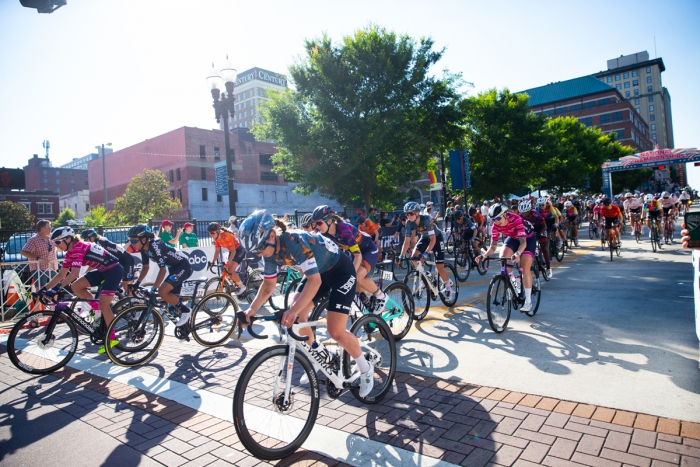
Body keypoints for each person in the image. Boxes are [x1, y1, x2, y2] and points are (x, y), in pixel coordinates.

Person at [238, 210, 374, 397]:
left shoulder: (294, 241)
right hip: (318, 272)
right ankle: (320, 356)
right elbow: (268, 284)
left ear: (271, 235)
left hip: (340, 272)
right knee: (300, 314)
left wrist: (292, 311)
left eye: (260, 248)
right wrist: (250, 310)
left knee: (335, 331)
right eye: (255, 251)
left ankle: (366, 369)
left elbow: (314, 282)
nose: (259, 253)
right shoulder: (268, 250)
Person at [43, 227, 124, 354]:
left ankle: (112, 338)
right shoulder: (70, 252)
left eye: (58, 242)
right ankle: (97, 308)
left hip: (114, 270)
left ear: (68, 239)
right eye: (54, 243)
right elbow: (61, 274)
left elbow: (74, 273)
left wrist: (57, 288)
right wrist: (44, 289)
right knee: (76, 286)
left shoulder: (79, 247)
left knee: (104, 305)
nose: (56, 246)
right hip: (103, 270)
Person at [312, 205, 385, 313]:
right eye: (315, 224)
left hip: (368, 250)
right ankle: (368, 312)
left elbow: (358, 256)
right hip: (354, 253)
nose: (317, 227)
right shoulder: (324, 234)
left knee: (357, 276)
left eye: (319, 223)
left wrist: (350, 274)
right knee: (354, 286)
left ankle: (381, 296)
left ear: (330, 221)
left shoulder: (343, 229)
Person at [127, 224, 193, 327]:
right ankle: (186, 328)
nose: (132, 243)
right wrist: (137, 283)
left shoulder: (155, 246)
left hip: (183, 266)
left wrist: (154, 289)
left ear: (144, 239)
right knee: (172, 303)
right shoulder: (144, 248)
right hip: (174, 268)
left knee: (162, 291)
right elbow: (145, 267)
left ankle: (186, 310)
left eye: (134, 241)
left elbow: (162, 270)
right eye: (130, 241)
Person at [477, 203, 536, 312]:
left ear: (505, 214)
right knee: (503, 258)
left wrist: (518, 254)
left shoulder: (516, 219)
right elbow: (493, 246)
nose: (496, 221)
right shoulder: (495, 226)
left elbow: (523, 243)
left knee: (525, 267)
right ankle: (514, 282)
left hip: (527, 239)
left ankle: (528, 302)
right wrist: (484, 255)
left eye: (498, 218)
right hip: (513, 238)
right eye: (493, 219)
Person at [399, 201, 454, 300]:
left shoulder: (426, 220)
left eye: (411, 213)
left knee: (439, 267)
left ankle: (448, 287)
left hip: (436, 238)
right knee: (414, 258)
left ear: (417, 212)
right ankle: (424, 278)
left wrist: (426, 253)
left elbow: (433, 240)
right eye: (407, 214)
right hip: (424, 238)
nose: (409, 216)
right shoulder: (409, 223)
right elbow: (406, 242)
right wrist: (401, 256)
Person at [81, 228, 136, 292]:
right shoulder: (95, 244)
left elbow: (96, 261)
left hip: (126, 260)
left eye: (86, 238)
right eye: (83, 239)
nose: (85, 241)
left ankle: (133, 300)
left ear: (92, 237)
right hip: (116, 262)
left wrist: (85, 275)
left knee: (126, 284)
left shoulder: (99, 243)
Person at [208, 222, 246, 295]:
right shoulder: (216, 239)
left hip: (239, 251)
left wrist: (228, 263)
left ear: (218, 231)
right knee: (228, 272)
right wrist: (212, 262)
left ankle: (242, 286)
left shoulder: (226, 235)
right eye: (209, 233)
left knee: (230, 269)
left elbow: (234, 251)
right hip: (232, 252)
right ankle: (238, 285)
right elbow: (217, 251)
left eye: (212, 233)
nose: (211, 235)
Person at [20, 219, 59, 288]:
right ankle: (39, 299)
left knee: (55, 287)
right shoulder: (33, 240)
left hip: (52, 267)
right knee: (40, 289)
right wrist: (38, 259)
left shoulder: (50, 238)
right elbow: (24, 252)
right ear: (42, 229)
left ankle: (53, 299)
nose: (51, 229)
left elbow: (57, 249)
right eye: (49, 227)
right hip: (39, 268)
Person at [520, 199, 550, 279]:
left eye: (526, 212)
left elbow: (544, 226)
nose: (524, 214)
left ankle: (548, 268)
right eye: (522, 213)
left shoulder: (536, 214)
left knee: (544, 248)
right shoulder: (520, 217)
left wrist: (541, 233)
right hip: (529, 232)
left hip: (540, 229)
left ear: (530, 210)